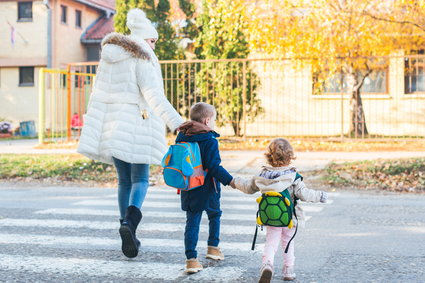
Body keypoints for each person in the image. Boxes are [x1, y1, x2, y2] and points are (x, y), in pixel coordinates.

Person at [77, 8, 183, 259]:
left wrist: (95, 126)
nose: (154, 46)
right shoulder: (143, 57)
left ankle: (127, 229)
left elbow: (97, 95)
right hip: (137, 124)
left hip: (112, 127)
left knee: (123, 181)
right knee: (141, 179)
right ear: (144, 38)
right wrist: (177, 122)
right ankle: (130, 224)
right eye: (153, 41)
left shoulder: (110, 56)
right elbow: (153, 95)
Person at [232, 138, 328, 282]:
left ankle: (267, 264)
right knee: (288, 242)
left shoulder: (262, 176)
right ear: (290, 157)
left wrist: (234, 182)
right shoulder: (293, 177)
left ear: (269, 157)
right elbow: (304, 194)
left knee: (271, 242)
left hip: (271, 217)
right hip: (290, 218)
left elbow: (247, 187)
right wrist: (321, 196)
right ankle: (288, 270)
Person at [175, 102, 235, 274]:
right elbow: (214, 167)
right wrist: (231, 181)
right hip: (208, 188)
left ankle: (191, 260)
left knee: (192, 222)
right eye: (214, 120)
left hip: (188, 186)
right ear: (207, 121)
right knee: (214, 215)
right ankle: (213, 248)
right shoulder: (209, 139)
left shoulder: (181, 136)